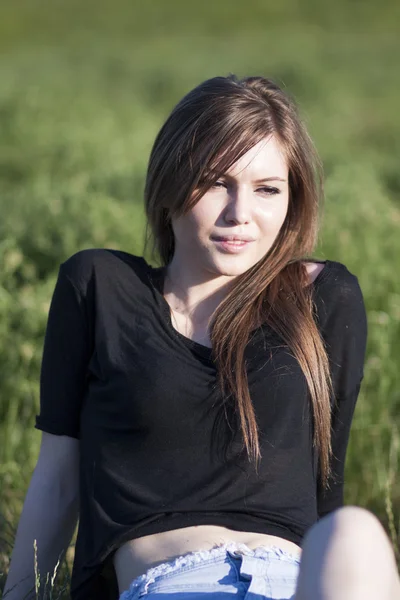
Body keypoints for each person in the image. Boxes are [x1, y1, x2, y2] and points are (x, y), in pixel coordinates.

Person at [4, 74, 400, 600]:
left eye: (267, 190)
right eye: (217, 183)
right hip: (170, 583)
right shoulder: (100, 287)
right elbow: (58, 474)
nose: (241, 215)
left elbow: (326, 488)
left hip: (294, 581)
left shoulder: (324, 298)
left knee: (355, 533)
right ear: (170, 183)